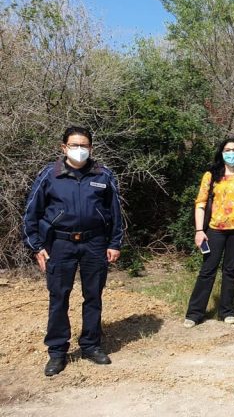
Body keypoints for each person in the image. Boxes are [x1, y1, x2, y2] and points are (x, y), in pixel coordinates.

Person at [23, 126, 124, 376]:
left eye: (84, 146)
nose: (80, 150)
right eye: (74, 145)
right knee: (59, 298)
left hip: (95, 244)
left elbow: (116, 213)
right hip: (59, 244)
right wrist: (36, 246)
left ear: (91, 147)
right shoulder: (50, 175)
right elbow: (31, 213)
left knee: (93, 296)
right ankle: (57, 352)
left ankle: (91, 345)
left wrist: (114, 243)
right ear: (64, 147)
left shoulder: (103, 175)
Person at [184, 138, 234, 328]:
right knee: (208, 270)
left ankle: (226, 311)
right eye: (227, 149)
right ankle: (194, 313)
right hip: (215, 230)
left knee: (230, 271)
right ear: (221, 152)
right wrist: (199, 230)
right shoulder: (211, 175)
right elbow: (200, 203)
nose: (231, 153)